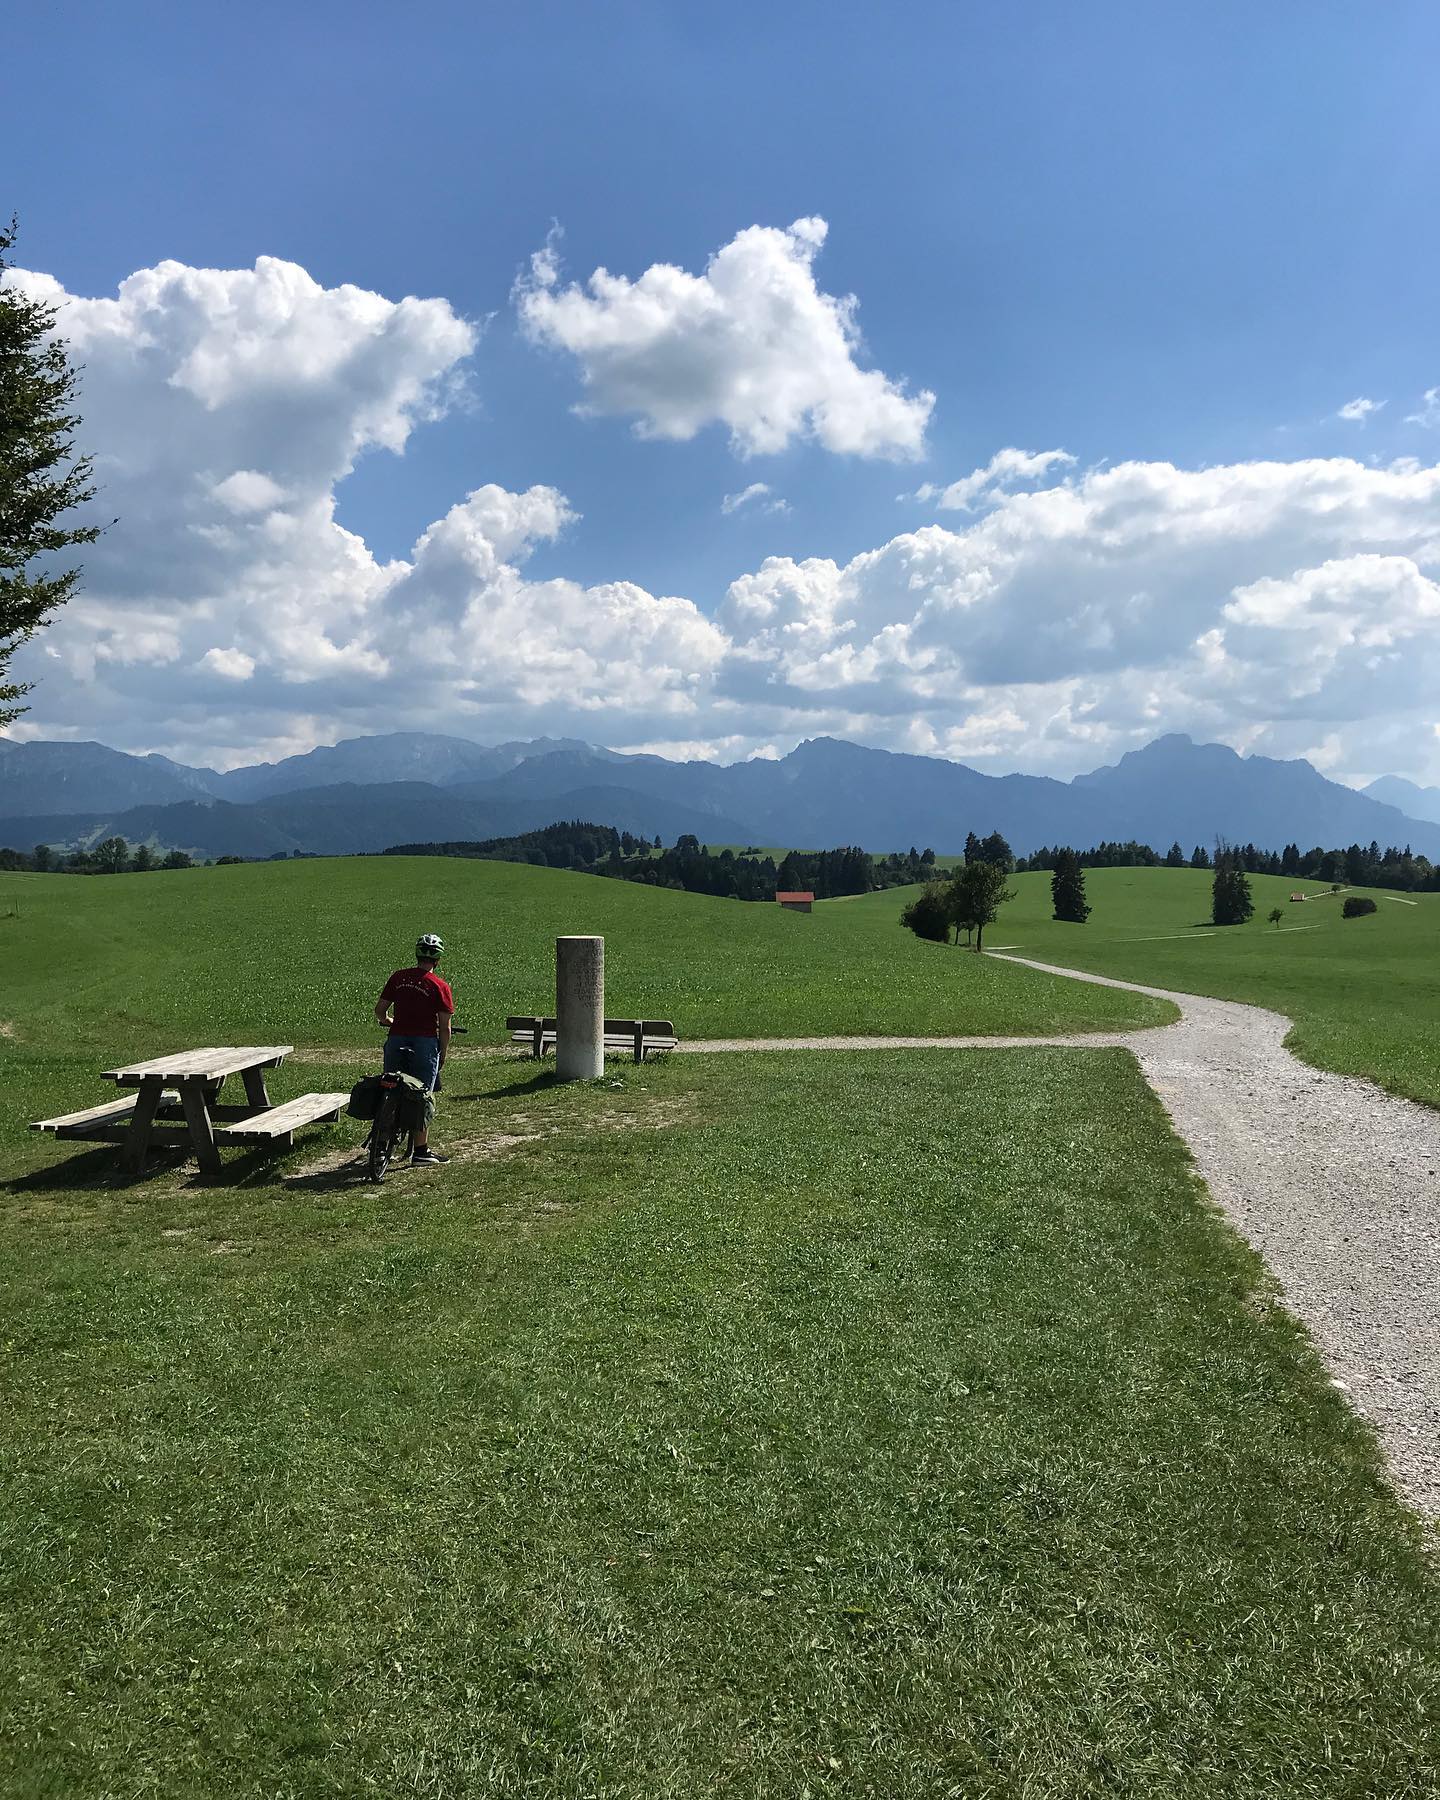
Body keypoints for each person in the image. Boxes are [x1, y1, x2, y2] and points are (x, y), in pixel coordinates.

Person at [374, 932, 453, 1165]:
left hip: (396, 1039)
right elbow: (445, 1027)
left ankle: (380, 1144)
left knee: (391, 1086)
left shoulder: (398, 978)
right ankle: (421, 1151)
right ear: (437, 959)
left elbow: (380, 1010)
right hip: (424, 1042)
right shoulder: (439, 986)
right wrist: (443, 1053)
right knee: (422, 1094)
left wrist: (390, 1022)